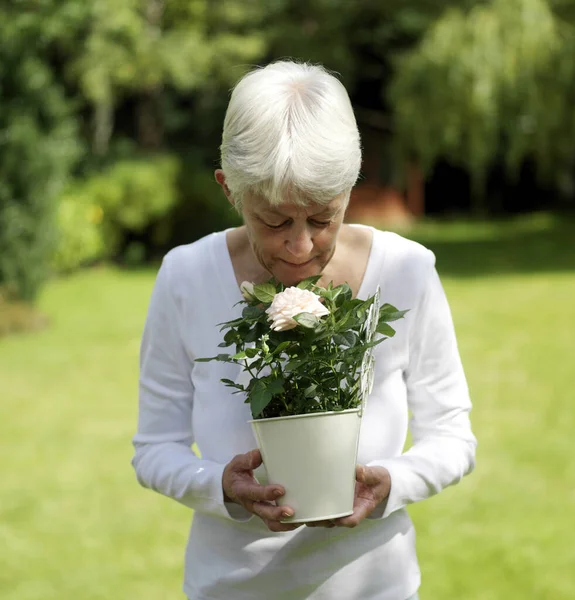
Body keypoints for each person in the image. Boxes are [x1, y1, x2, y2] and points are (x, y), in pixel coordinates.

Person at [132, 60, 477, 600]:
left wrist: (392, 485)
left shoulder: (407, 271)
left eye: (323, 218)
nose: (300, 247)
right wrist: (219, 486)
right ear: (229, 190)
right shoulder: (186, 276)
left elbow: (453, 436)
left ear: (349, 190)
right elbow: (155, 448)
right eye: (274, 221)